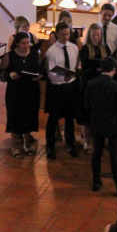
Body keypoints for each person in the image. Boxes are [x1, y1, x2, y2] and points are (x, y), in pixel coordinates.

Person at [84, 57, 117, 197]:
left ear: (101, 68)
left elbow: (86, 105)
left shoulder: (91, 83)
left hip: (97, 123)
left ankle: (96, 182)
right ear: (114, 70)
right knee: (114, 155)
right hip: (113, 124)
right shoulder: (115, 85)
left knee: (97, 153)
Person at [0, 31, 41, 158]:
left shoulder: (34, 54)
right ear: (17, 43)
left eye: (28, 43)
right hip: (15, 91)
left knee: (29, 115)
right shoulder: (9, 56)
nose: (27, 46)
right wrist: (10, 75)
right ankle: (15, 144)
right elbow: (1, 73)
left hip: (31, 90)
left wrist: (39, 76)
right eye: (23, 43)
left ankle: (28, 141)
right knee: (14, 116)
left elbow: (39, 69)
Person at [44, 21, 80, 159]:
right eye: (63, 34)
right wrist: (62, 77)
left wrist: (71, 76)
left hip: (70, 87)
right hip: (56, 88)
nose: (66, 37)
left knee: (70, 117)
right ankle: (50, 146)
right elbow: (50, 72)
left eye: (67, 34)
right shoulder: (51, 51)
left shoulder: (74, 48)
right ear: (57, 33)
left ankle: (70, 143)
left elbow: (76, 65)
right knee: (53, 118)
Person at [78, 22, 112, 153]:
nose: (96, 38)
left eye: (98, 35)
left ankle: (99, 141)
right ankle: (87, 141)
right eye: (93, 35)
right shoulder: (85, 48)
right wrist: (96, 68)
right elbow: (84, 67)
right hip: (88, 83)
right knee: (86, 114)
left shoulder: (106, 48)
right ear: (89, 36)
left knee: (100, 114)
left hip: (102, 85)